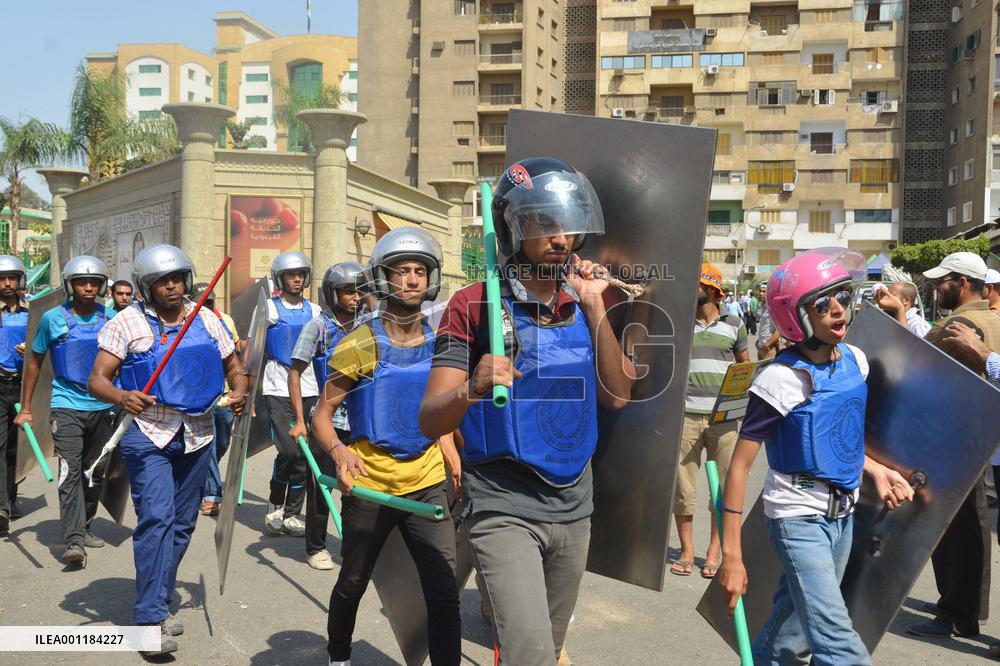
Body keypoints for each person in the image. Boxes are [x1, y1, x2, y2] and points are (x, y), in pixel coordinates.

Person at [419, 157, 636, 665]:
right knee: (531, 655)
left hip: (575, 504)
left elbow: (619, 395)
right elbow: (430, 418)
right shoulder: (474, 304)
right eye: (544, 223)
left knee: (550, 647)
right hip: (502, 504)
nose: (560, 238)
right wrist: (470, 388)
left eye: (567, 225)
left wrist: (597, 305)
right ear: (514, 227)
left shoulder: (582, 299)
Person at [717, 247, 915, 665]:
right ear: (795, 317)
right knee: (839, 644)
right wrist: (732, 558)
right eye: (822, 303)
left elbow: (838, 438)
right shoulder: (780, 380)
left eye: (841, 296)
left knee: (791, 638)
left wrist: (877, 469)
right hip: (797, 518)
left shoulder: (855, 363)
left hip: (842, 516)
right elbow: (739, 468)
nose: (838, 309)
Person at [312, 228, 463, 666]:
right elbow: (324, 416)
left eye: (420, 271)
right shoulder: (360, 342)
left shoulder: (442, 343)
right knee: (353, 582)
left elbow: (440, 414)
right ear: (384, 279)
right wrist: (340, 452)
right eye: (402, 272)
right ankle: (339, 655)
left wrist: (451, 453)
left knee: (442, 589)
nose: (412, 280)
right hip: (372, 484)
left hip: (427, 480)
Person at [88, 245, 247, 657]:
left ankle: (157, 597)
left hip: (198, 433)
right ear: (147, 286)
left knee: (181, 525)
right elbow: (98, 380)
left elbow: (234, 366)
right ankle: (149, 618)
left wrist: (241, 390)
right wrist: (123, 396)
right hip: (148, 433)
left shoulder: (208, 319)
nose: (172, 286)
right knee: (156, 518)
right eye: (162, 280)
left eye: (177, 277)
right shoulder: (127, 323)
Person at [908, 251, 1000, 639]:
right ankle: (962, 609)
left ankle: (956, 613)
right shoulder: (993, 319)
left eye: (941, 281)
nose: (934, 287)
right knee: (972, 526)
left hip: (954, 439)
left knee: (952, 528)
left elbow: (918, 361)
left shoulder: (960, 324)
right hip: (980, 440)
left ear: (962, 283)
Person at [15, 256, 116, 566]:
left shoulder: (112, 317)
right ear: (70, 285)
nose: (88, 287)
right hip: (66, 404)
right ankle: (73, 540)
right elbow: (34, 362)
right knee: (69, 470)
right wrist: (27, 408)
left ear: (101, 286)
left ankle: (85, 525)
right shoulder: (51, 319)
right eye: (82, 282)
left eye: (94, 282)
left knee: (95, 470)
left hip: (105, 406)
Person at [672, 263, 749, 577]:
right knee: (683, 488)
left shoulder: (735, 324)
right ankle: (687, 551)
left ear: (713, 290)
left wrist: (738, 403)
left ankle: (714, 550)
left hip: (724, 420)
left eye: (698, 283)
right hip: (686, 416)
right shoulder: (680, 323)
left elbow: (744, 366)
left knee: (722, 490)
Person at [288, 261, 363, 570]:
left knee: (357, 486)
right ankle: (316, 546)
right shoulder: (317, 326)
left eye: (359, 291)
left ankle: (354, 546)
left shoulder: (369, 324)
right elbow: (295, 373)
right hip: (326, 419)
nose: (356, 297)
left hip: (360, 418)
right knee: (323, 487)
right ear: (333, 294)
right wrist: (301, 421)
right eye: (348, 291)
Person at [262, 251, 322, 537]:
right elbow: (252, 350)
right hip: (276, 387)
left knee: (304, 455)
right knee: (289, 451)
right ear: (280, 278)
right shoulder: (269, 309)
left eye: (300, 274)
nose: (297, 279)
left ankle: (292, 513)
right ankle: (275, 502)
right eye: (290, 274)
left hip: (310, 387)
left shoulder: (316, 310)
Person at [196, 283, 241, 517]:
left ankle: (202, 477)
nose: (206, 306)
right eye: (201, 302)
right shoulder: (187, 324)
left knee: (222, 442)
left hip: (224, 393)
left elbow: (235, 353)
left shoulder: (224, 320)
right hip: (201, 394)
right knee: (209, 444)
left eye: (209, 302)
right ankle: (213, 495)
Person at [0, 256, 29, 535]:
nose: (7, 284)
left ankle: (10, 495)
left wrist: (28, 349)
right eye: (2, 278)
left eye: (12, 278)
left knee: (14, 447)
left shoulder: (31, 312)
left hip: (22, 386)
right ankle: (2, 507)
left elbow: (42, 348)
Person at [755, 282, 780, 360]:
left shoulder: (773, 308)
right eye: (760, 291)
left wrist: (767, 344)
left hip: (769, 349)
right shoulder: (762, 306)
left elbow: (779, 330)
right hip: (761, 348)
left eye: (764, 291)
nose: (761, 293)